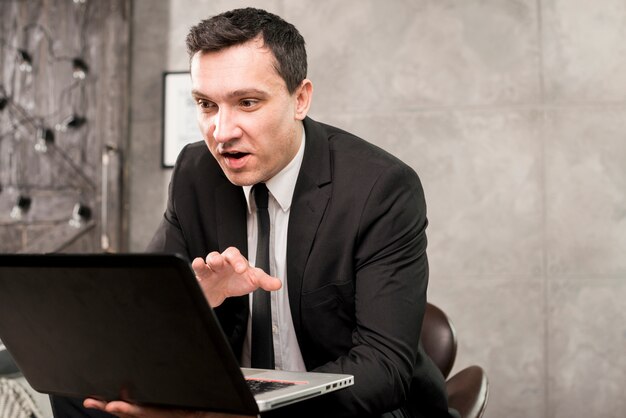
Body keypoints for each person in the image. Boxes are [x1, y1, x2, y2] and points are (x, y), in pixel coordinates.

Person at [51, 7, 458, 418]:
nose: (222, 132)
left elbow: (382, 371)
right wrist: (194, 303)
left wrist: (236, 415)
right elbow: (140, 320)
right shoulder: (195, 173)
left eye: (247, 102)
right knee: (78, 386)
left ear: (300, 99)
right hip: (224, 398)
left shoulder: (380, 188)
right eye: (206, 105)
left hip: (342, 410)